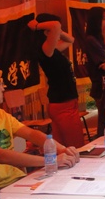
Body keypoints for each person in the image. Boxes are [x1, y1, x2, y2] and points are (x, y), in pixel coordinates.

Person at [0, 68, 79, 199]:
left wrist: (62, 149)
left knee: (63, 193)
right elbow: (1, 156)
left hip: (16, 182)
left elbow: (31, 134)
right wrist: (51, 161)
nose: (3, 88)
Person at [28, 13, 85, 148]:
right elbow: (56, 25)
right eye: (57, 31)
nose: (59, 32)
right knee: (75, 146)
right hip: (63, 105)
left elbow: (70, 40)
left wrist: (55, 31)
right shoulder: (46, 49)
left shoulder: (52, 49)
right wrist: (37, 26)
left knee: (63, 147)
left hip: (64, 103)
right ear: (47, 31)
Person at [84, 6, 105, 104]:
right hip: (100, 86)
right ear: (95, 21)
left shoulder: (102, 38)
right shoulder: (91, 40)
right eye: (104, 19)